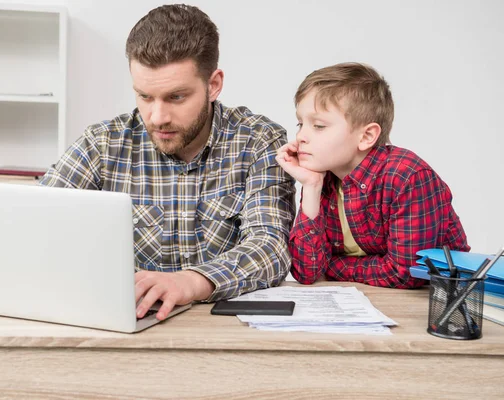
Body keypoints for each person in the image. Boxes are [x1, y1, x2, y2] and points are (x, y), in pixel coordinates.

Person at [40, 5, 295, 319]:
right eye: (145, 96)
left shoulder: (258, 140)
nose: (157, 117)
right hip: (128, 328)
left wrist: (191, 281)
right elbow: (38, 224)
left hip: (221, 336)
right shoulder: (103, 144)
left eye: (176, 97)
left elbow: (270, 247)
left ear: (213, 85)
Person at [276, 62, 469, 288]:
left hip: (436, 300)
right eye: (300, 123)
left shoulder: (406, 176)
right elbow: (307, 272)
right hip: (368, 297)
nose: (301, 136)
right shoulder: (322, 175)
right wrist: (311, 186)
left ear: (367, 136)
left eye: (318, 125)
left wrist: (330, 266)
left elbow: (406, 273)